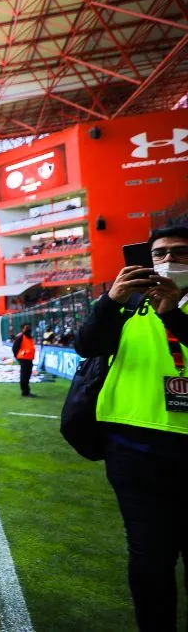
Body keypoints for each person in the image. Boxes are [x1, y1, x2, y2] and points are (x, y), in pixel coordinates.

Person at [74, 225, 188, 631]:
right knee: (149, 556)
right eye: (159, 254)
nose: (169, 261)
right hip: (133, 445)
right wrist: (109, 300)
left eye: (179, 252)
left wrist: (172, 312)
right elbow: (85, 346)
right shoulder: (127, 305)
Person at [12, 323, 37, 397]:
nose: (28, 329)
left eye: (29, 328)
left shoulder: (30, 337)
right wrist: (18, 357)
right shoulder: (20, 337)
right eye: (26, 328)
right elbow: (15, 348)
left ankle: (26, 391)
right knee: (24, 375)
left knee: (27, 375)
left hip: (29, 359)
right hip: (23, 359)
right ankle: (25, 392)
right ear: (23, 329)